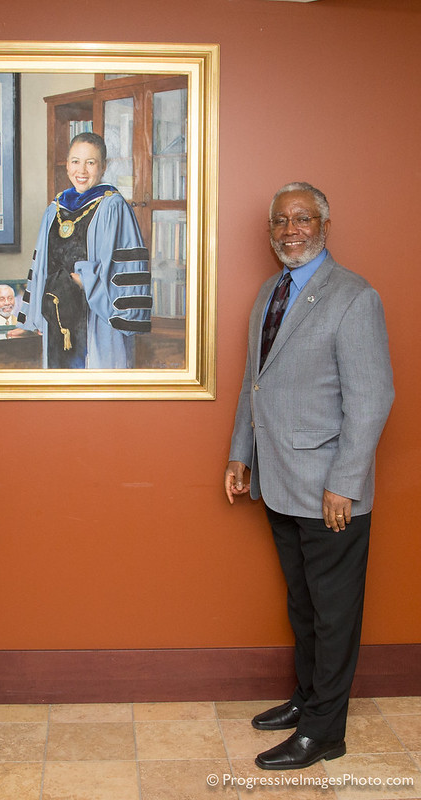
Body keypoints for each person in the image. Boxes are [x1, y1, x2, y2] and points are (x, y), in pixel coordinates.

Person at [225, 183, 394, 770]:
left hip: (330, 493)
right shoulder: (271, 292)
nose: (289, 229)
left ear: (325, 223)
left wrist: (344, 482)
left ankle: (326, 731)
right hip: (280, 481)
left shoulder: (354, 297)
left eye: (302, 218)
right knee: (304, 605)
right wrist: (240, 453)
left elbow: (373, 399)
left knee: (334, 611)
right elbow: (258, 381)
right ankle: (308, 699)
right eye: (280, 221)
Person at [17, 132, 151, 368]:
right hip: (58, 316)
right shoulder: (54, 209)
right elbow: (40, 265)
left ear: (103, 167)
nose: (82, 170)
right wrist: (41, 312)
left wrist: (86, 281)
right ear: (67, 165)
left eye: (91, 162)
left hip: (97, 323)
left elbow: (126, 269)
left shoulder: (113, 207)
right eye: (75, 161)